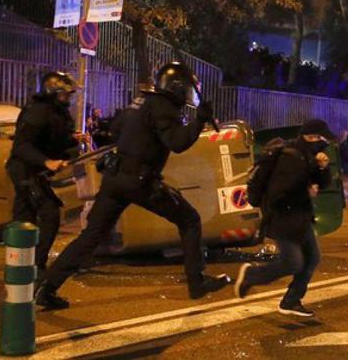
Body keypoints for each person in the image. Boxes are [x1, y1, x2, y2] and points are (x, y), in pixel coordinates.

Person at [35, 62, 229, 310]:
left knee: (90, 237)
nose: (189, 94)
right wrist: (199, 121)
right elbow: (177, 142)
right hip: (140, 181)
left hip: (115, 177)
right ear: (177, 88)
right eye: (188, 89)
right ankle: (197, 282)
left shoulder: (142, 101)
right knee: (189, 219)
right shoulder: (164, 107)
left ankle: (47, 288)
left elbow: (116, 129)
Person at [234, 119, 334, 317]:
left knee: (312, 258)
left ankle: (291, 301)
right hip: (282, 218)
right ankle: (251, 275)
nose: (323, 143)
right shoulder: (291, 158)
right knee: (293, 262)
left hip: (300, 217)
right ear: (311, 137)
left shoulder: (308, 155)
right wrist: (306, 190)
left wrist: (323, 168)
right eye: (320, 139)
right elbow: (279, 192)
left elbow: (321, 183)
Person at [5, 71, 85, 276]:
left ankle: (27, 265)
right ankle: (37, 267)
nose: (69, 97)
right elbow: (22, 147)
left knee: (23, 220)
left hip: (35, 171)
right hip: (26, 171)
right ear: (53, 92)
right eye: (65, 93)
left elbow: (53, 139)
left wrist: (73, 140)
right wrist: (47, 162)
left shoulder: (57, 112)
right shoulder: (38, 112)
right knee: (49, 214)